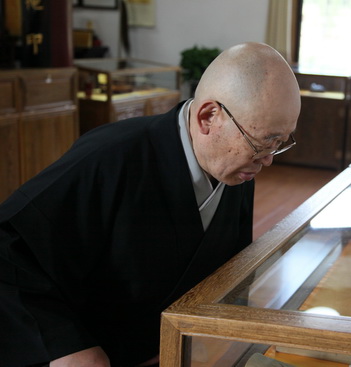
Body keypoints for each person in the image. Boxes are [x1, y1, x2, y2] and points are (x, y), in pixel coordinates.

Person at [0, 42, 301, 367]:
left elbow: (226, 269)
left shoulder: (235, 168)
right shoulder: (110, 157)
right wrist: (65, 346)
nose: (269, 158)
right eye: (263, 141)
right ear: (209, 117)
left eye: (280, 142)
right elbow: (7, 249)